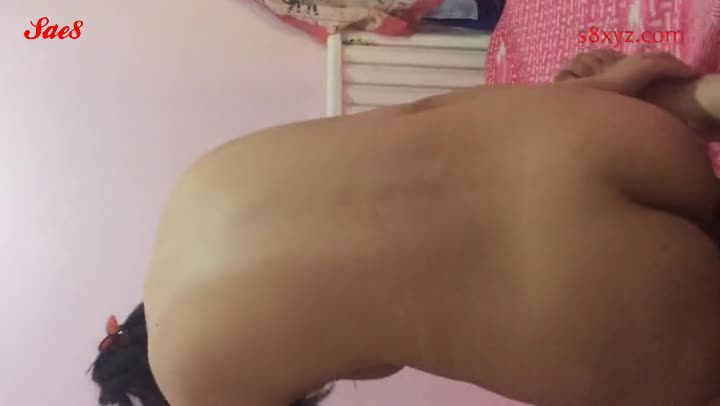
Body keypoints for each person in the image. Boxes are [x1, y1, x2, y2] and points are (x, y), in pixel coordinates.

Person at [91, 50, 720, 406]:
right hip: (617, 138)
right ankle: (695, 104)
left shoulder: (194, 387)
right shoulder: (195, 185)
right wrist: (592, 96)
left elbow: (379, 361)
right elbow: (419, 117)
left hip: (597, 305)